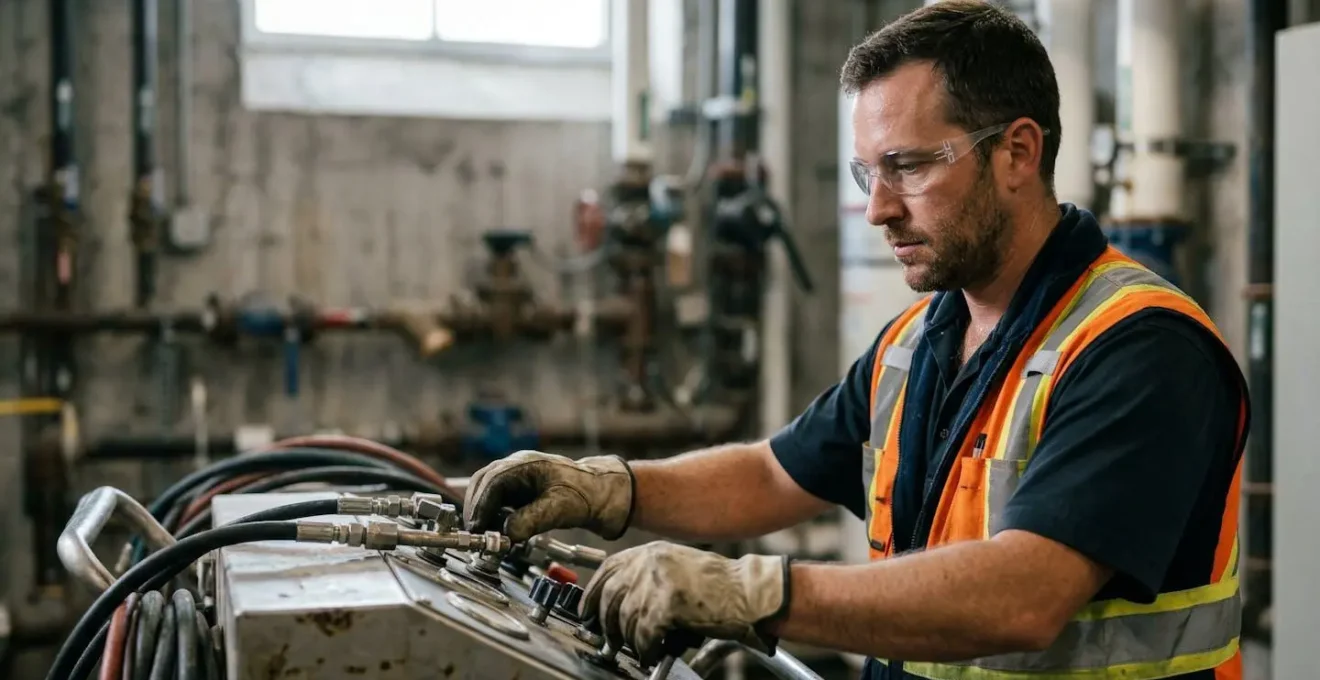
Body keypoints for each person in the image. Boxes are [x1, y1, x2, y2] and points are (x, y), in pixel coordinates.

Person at [463, 2, 1250, 678]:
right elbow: (777, 473)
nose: (878, 210)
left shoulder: (1142, 347)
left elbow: (1026, 594)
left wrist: (758, 593)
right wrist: (610, 490)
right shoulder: (919, 338)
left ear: (1018, 153)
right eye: (865, 172)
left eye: (906, 167)